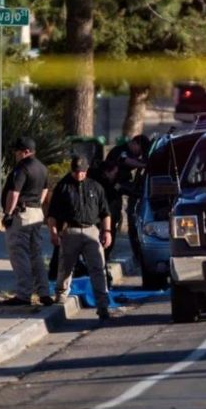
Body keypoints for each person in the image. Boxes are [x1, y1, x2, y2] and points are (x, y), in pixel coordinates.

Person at [48, 156, 113, 320]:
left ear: (87, 170)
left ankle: (103, 305)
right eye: (76, 172)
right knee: (65, 267)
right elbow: (52, 214)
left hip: (91, 230)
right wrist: (53, 232)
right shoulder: (63, 187)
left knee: (98, 269)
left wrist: (107, 231)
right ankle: (61, 296)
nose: (79, 175)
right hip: (70, 231)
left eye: (82, 172)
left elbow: (105, 212)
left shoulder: (95, 187)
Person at [0, 137, 51, 306]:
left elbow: (14, 192)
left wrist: (8, 213)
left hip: (22, 214)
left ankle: (23, 294)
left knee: (19, 253)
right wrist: (38, 205)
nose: (15, 154)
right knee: (35, 254)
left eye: (18, 151)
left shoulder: (22, 167)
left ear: (26, 151)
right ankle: (43, 292)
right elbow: (45, 190)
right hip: (36, 213)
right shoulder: (42, 168)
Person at [105, 135, 149, 267]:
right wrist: (144, 164)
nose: (139, 153)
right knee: (109, 224)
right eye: (140, 150)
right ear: (135, 143)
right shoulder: (121, 151)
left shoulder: (130, 153)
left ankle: (106, 255)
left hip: (117, 193)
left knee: (114, 221)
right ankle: (104, 256)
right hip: (109, 193)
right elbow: (126, 161)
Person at [88, 160, 122, 287]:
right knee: (100, 253)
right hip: (101, 223)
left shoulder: (106, 184)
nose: (115, 175)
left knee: (102, 253)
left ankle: (103, 278)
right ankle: (103, 280)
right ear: (106, 172)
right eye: (114, 173)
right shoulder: (101, 186)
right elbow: (105, 208)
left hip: (107, 222)